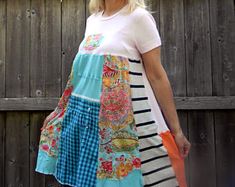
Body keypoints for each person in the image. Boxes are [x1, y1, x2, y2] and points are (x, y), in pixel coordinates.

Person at [35, 0, 191, 186]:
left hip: (128, 130)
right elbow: (81, 77)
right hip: (89, 129)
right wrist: (59, 113)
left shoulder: (138, 18)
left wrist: (177, 130)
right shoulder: (92, 21)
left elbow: (157, 75)